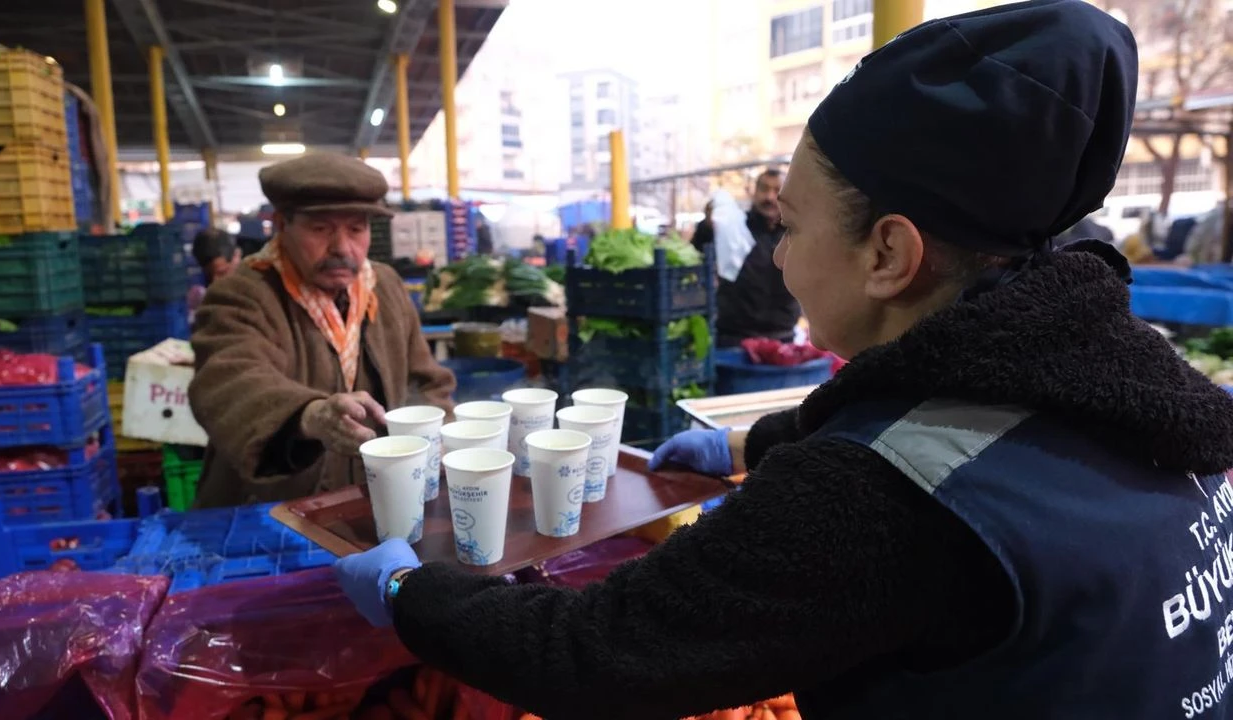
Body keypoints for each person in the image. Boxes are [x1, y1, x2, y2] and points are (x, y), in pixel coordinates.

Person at [335, 3, 1233, 718]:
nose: (775, 259)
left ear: (889, 255)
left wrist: (414, 590)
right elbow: (969, 423)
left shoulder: (867, 501)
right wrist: (759, 443)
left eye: (790, 228)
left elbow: (596, 654)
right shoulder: (1145, 385)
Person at [189, 153, 455, 507]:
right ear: (282, 225)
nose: (342, 248)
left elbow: (426, 382)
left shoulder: (384, 286)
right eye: (321, 229)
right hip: (273, 511)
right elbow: (229, 380)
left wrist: (434, 438)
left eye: (356, 229)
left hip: (372, 501)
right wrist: (311, 416)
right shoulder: (243, 293)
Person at [715, 168, 800, 347]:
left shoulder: (798, 233)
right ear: (754, 192)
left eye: (777, 190)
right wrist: (708, 225)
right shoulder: (736, 228)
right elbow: (703, 243)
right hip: (734, 339)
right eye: (764, 189)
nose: (769, 197)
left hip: (783, 337)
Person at [187, 227, 242, 321]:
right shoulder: (199, 291)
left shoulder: (257, 285)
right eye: (209, 275)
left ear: (237, 256)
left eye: (222, 272)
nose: (215, 281)